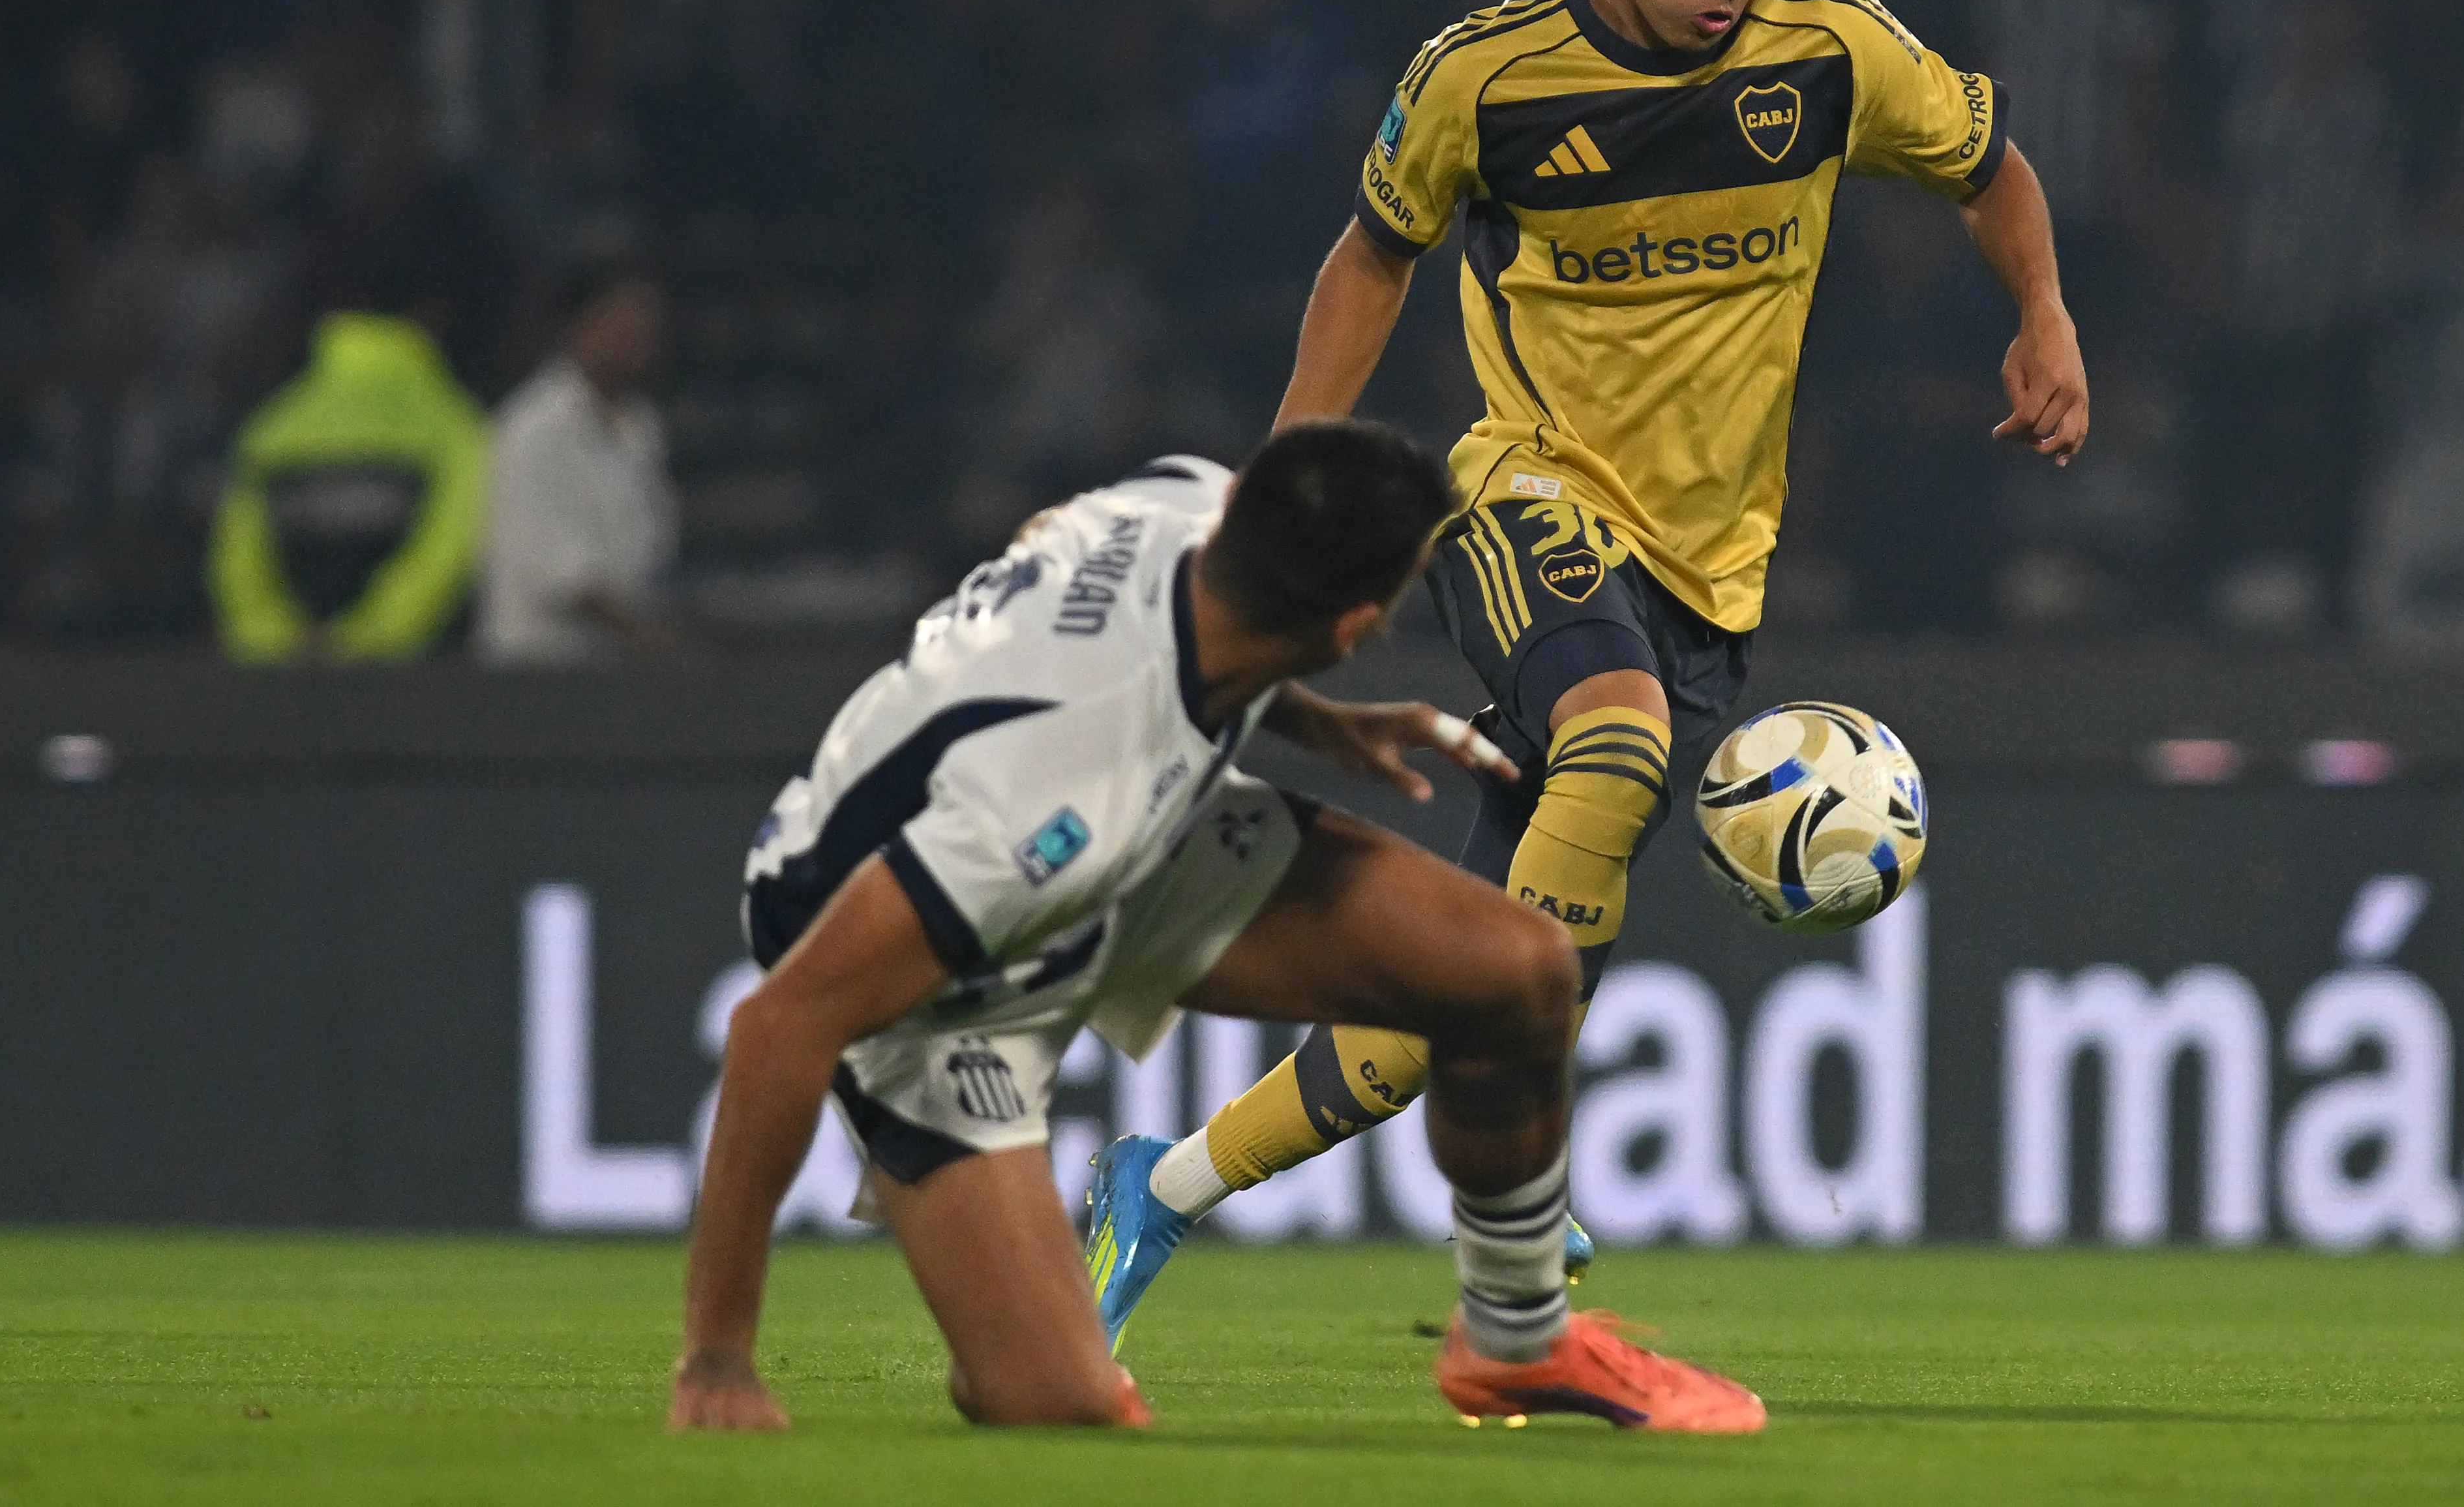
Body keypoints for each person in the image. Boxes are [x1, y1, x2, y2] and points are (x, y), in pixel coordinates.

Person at [1087, 0, 2090, 1339]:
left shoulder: (1830, 51)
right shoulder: (1484, 80)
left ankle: (1162, 1184)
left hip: (1707, 571)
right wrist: (1283, 484)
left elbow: (1990, 164)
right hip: (1524, 490)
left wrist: (2040, 313)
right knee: (1614, 745)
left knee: (1473, 988)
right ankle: (1530, 1218)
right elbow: (1372, 260)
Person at [670, 423, 1765, 1435]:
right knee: (1055, 1402)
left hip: (1136, 818)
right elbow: (779, 1023)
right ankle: (999, 1303)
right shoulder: (1055, 795)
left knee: (1512, 965)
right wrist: (718, 1356)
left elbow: (1043, 552)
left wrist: (1311, 716)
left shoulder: (1191, 497)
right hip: (947, 957)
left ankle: (1518, 1339)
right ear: (1350, 628)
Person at [208, 258, 488, 663]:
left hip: (280, 688)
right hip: (415, 689)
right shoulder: (456, 427)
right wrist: (366, 640)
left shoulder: (274, 426)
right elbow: (448, 553)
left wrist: (273, 641)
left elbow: (237, 559)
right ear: (432, 318)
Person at [477, 258, 681, 662]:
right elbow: (563, 578)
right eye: (621, 318)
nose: (638, 333)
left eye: (646, 320)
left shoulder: (640, 425)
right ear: (578, 324)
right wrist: (660, 644)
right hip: (537, 674)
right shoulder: (533, 427)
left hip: (613, 673)